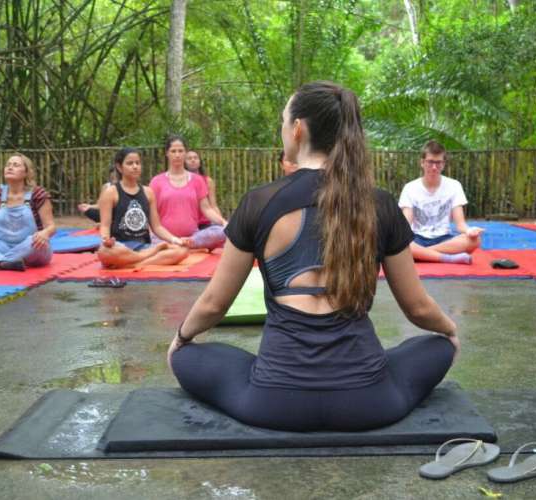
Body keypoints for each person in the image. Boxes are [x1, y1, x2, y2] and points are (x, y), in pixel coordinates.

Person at [167, 81, 458, 432]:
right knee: (437, 346)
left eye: (282, 121)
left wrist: (181, 338)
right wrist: (450, 331)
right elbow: (418, 309)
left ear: (298, 129)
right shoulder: (379, 204)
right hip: (370, 403)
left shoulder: (260, 201)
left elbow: (215, 304)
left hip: (274, 403)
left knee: (191, 356)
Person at [96, 147, 189, 269]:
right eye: (130, 163)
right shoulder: (111, 192)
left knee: (182, 250)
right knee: (104, 252)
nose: (135, 166)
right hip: (120, 247)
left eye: (137, 163)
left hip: (143, 247)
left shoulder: (148, 192)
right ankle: (142, 258)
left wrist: (176, 240)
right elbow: (104, 226)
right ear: (119, 167)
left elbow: (157, 227)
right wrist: (106, 241)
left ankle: (134, 263)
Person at [398, 140, 483, 264]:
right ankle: (447, 258)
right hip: (417, 238)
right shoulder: (410, 188)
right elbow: (405, 225)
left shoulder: (454, 186)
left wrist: (470, 231)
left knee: (475, 241)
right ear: (422, 162)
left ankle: (423, 254)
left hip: (444, 239)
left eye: (438, 163)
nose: (434, 167)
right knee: (401, 243)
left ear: (443, 164)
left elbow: (460, 224)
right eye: (430, 162)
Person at [150, 137, 227, 250]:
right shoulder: (156, 181)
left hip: (193, 237)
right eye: (173, 151)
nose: (177, 155)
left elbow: (207, 209)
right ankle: (176, 245)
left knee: (223, 231)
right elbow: (150, 213)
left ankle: (184, 244)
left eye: (180, 151)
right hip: (164, 238)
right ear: (167, 153)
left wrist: (223, 222)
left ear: (185, 152)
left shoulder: (197, 180)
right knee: (153, 241)